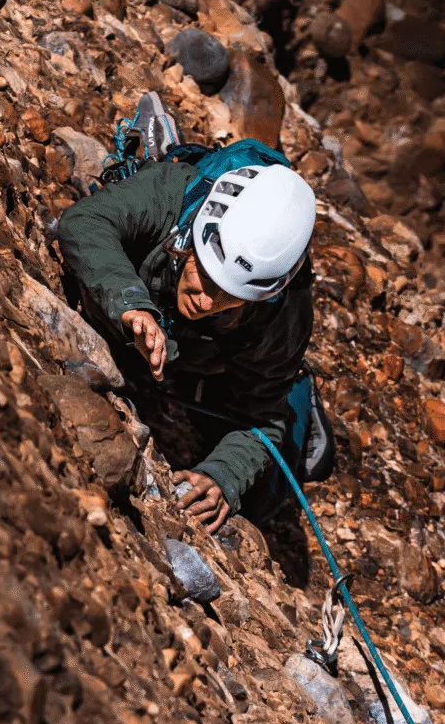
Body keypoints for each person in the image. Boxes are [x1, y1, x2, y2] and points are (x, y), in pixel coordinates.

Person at [57, 146, 321, 535]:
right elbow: (85, 221)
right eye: (207, 278)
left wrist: (222, 478)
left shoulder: (281, 318)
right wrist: (131, 305)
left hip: (212, 366)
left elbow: (262, 417)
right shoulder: (172, 192)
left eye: (230, 295)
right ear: (195, 238)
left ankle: (304, 396)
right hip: (157, 319)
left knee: (261, 499)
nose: (206, 301)